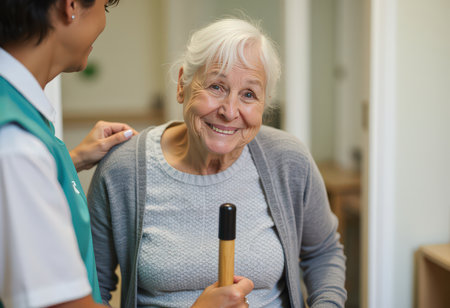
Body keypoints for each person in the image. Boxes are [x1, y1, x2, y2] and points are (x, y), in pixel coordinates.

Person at [88, 18, 347, 308]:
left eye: (249, 94)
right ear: (182, 85)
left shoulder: (288, 159)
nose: (230, 111)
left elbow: (323, 252)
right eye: (216, 87)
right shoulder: (123, 169)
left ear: (265, 102)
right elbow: (93, 287)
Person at [0, 0, 138, 307]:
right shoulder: (16, 144)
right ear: (71, 6)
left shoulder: (19, 120)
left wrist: (67, 162)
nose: (103, 22)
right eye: (105, 6)